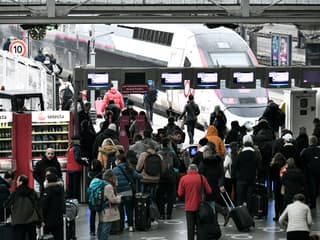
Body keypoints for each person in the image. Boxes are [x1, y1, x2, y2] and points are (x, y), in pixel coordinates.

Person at [177, 164, 212, 240]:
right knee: (200, 227)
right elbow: (209, 191)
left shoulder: (183, 179)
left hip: (189, 207)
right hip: (201, 207)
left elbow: (180, 193)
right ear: (197, 170)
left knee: (190, 228)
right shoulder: (202, 178)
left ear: (188, 170)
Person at [4, 175, 41, 240]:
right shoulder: (32, 192)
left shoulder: (15, 193)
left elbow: (6, 204)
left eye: (18, 181)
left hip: (18, 221)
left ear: (21, 182)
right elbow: (38, 206)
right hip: (31, 221)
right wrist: (40, 221)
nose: (16, 182)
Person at [113, 154, 142, 232]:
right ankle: (130, 226)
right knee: (129, 209)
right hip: (128, 191)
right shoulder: (129, 168)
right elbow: (138, 176)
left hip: (119, 192)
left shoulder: (114, 170)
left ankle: (121, 227)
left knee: (120, 210)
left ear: (119, 161)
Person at [233, 134, 258, 216]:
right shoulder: (255, 154)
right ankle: (250, 215)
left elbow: (234, 166)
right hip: (252, 179)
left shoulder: (240, 155)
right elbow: (259, 166)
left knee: (240, 198)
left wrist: (235, 175)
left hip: (241, 179)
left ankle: (240, 215)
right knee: (250, 198)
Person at [157, 137, 180, 220]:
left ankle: (162, 214)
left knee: (160, 196)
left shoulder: (158, 153)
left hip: (161, 177)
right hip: (171, 177)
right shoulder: (172, 153)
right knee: (171, 196)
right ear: (167, 144)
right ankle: (169, 214)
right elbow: (177, 164)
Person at [97, 169, 122, 240]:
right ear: (111, 177)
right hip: (107, 210)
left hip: (101, 208)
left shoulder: (102, 183)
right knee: (106, 228)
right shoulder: (108, 186)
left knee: (101, 226)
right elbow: (113, 200)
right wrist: (119, 198)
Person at [40, 172, 65, 240]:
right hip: (59, 220)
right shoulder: (60, 191)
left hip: (49, 220)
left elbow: (43, 207)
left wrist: (41, 219)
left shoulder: (47, 192)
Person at [66, 135, 89, 200]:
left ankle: (70, 198)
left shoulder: (70, 147)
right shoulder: (77, 148)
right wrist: (85, 163)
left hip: (69, 169)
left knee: (70, 185)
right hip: (76, 169)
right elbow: (77, 158)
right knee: (75, 186)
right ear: (77, 140)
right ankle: (75, 199)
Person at [300, 135, 320, 209]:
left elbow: (302, 162)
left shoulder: (305, 151)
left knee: (311, 188)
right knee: (317, 187)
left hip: (309, 172)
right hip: (318, 172)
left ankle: (312, 203)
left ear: (310, 142)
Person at [88, 159, 103, 236]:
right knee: (101, 214)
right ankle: (100, 230)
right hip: (100, 196)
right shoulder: (102, 175)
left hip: (92, 197)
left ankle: (92, 230)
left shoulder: (90, 175)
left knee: (92, 214)